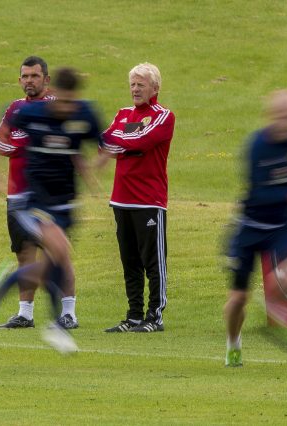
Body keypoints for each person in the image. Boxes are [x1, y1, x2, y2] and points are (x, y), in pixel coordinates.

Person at [0, 67, 102, 352]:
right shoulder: (28, 112)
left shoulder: (81, 113)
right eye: (25, 76)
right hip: (31, 199)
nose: (67, 106)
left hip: (66, 201)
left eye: (71, 100)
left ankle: (10, 283)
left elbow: (93, 145)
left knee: (54, 261)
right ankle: (56, 324)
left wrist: (91, 170)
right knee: (58, 250)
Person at [224, 88, 287, 367]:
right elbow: (259, 193)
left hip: (280, 226)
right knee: (237, 300)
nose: (286, 121)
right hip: (250, 226)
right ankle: (233, 344)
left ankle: (275, 304)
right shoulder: (257, 146)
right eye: (281, 115)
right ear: (270, 116)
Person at [0, 56, 78, 330]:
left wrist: (22, 141)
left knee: (57, 253)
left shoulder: (57, 107)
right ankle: (25, 313)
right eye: (25, 76)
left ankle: (69, 313)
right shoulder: (15, 108)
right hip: (17, 195)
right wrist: (24, 145)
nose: (29, 81)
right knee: (24, 254)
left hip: (48, 194)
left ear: (47, 79)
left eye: (34, 76)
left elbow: (61, 143)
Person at [101, 63, 175, 333]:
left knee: (153, 262)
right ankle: (133, 316)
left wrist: (121, 139)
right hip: (121, 199)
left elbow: (143, 140)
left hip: (149, 201)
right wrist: (122, 140)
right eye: (132, 84)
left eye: (140, 84)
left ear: (155, 88)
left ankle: (155, 317)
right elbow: (105, 142)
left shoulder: (164, 116)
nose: (135, 89)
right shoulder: (122, 113)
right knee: (129, 262)